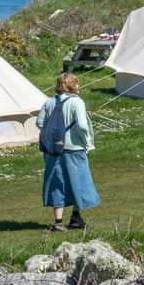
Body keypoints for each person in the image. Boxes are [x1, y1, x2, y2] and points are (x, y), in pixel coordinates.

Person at [36, 72, 99, 232]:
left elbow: (39, 122)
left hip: (53, 149)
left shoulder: (49, 102)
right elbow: (83, 125)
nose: (79, 86)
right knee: (79, 181)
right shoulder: (77, 103)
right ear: (71, 86)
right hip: (74, 147)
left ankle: (58, 221)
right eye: (77, 84)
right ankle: (76, 216)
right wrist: (87, 141)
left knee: (58, 182)